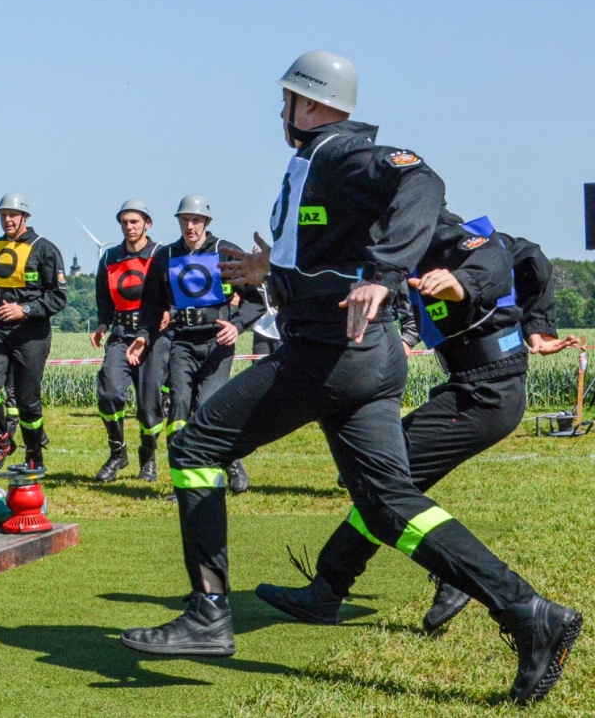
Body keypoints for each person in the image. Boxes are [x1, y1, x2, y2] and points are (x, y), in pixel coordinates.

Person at [119, 51, 581, 706]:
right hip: (364, 356)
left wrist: (385, 273)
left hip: (329, 355)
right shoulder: (318, 164)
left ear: (306, 105)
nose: (280, 112)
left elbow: (421, 179)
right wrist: (268, 273)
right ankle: (530, 611)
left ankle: (208, 612)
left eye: (285, 100)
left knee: (195, 446)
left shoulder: (339, 153)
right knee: (388, 505)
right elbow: (326, 259)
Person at [256, 217, 580, 631]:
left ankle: (438, 575)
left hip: (488, 393)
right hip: (469, 386)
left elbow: (529, 255)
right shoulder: (400, 250)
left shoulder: (455, 238)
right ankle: (329, 588)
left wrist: (538, 327)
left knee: (380, 486)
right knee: (380, 488)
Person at [125, 195, 263, 492]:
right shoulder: (166, 257)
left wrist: (237, 326)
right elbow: (151, 307)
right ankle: (182, 486)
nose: (190, 225)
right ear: (178, 222)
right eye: (185, 220)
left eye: (196, 220)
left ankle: (230, 461)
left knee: (207, 409)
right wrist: (143, 336)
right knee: (179, 411)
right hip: (182, 343)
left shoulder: (225, 252)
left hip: (218, 344)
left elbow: (256, 298)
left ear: (206, 223)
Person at [0, 193, 67, 474]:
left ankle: (34, 455)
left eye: (12, 214)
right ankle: (2, 439)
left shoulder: (44, 249)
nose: (7, 220)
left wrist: (26, 310)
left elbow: (58, 297)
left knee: (27, 401)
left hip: (31, 333)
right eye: (3, 215)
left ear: (25, 217)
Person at [89, 200, 166, 482]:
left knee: (149, 406)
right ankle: (117, 452)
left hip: (153, 338)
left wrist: (169, 312)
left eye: (134, 221)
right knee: (109, 394)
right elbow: (103, 298)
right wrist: (101, 323)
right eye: (124, 222)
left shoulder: (161, 255)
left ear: (148, 223)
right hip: (121, 335)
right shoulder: (109, 258)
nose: (129, 227)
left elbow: (171, 291)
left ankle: (148, 456)